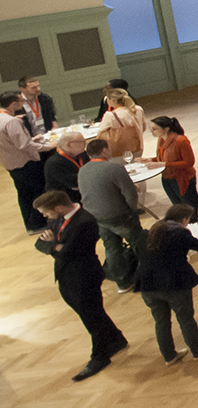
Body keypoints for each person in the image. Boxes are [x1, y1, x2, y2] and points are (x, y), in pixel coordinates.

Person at [32, 190, 129, 381]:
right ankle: (116, 339)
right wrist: (57, 246)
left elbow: (69, 252)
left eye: (46, 212)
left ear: (58, 208)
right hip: (66, 275)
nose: (44, 216)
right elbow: (41, 243)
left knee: (91, 316)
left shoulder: (84, 222)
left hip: (84, 275)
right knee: (91, 312)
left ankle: (99, 356)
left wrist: (56, 246)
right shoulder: (58, 218)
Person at [136, 205, 198, 365]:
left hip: (148, 285)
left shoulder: (147, 233)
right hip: (174, 284)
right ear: (184, 220)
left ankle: (169, 356)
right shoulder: (180, 234)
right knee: (185, 318)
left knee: (161, 321)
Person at [75, 138, 147, 290]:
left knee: (112, 248)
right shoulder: (115, 168)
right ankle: (150, 277)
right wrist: (132, 210)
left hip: (96, 216)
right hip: (119, 215)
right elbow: (130, 194)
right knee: (139, 245)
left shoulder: (83, 170)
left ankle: (122, 283)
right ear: (104, 150)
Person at [2, 93, 55, 232]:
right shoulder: (11, 121)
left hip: (10, 163)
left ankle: (30, 225)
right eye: (20, 101)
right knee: (38, 190)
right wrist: (48, 146)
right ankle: (38, 223)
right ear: (13, 104)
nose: (23, 104)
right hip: (25, 162)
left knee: (24, 193)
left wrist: (32, 140)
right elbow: (24, 145)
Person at [96, 89, 148, 160]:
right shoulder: (138, 109)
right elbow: (144, 127)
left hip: (120, 151)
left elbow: (100, 134)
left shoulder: (111, 115)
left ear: (112, 100)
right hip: (138, 147)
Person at [43, 129, 87, 202]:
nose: (85, 144)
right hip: (64, 199)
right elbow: (73, 183)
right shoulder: (54, 163)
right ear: (68, 144)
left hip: (82, 193)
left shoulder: (82, 154)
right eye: (81, 142)